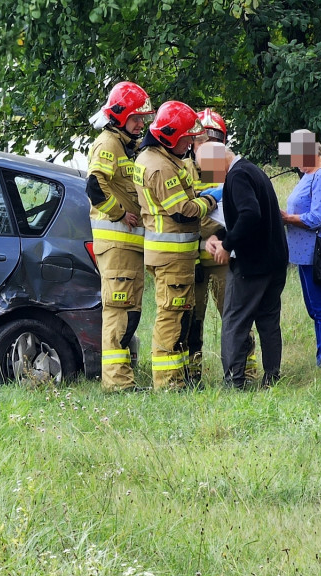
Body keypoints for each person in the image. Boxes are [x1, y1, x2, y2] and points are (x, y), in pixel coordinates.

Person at [134, 101, 218, 391]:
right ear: (170, 136)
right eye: (186, 138)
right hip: (171, 257)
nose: (191, 142)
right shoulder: (159, 166)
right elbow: (182, 210)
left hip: (176, 257)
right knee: (171, 317)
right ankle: (169, 383)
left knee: (181, 315)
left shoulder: (163, 157)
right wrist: (211, 201)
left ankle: (179, 377)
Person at [199, 141, 288, 388]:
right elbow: (253, 218)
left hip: (252, 265)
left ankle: (234, 382)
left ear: (217, 160)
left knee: (234, 321)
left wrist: (227, 246)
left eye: (205, 169)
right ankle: (272, 378)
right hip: (275, 261)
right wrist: (221, 237)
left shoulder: (237, 176)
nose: (207, 176)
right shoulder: (253, 170)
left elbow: (250, 214)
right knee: (269, 321)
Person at [85, 81, 155, 392]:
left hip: (129, 248)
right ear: (120, 116)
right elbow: (94, 187)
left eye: (144, 118)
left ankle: (123, 377)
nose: (142, 123)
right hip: (116, 246)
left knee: (131, 313)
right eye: (137, 118)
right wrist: (118, 214)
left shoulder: (127, 144)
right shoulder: (107, 144)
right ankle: (116, 383)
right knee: (118, 312)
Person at [184, 108, 258, 384]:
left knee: (236, 317)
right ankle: (192, 375)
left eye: (213, 138)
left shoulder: (228, 170)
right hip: (193, 257)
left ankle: (246, 372)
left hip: (223, 257)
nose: (206, 144)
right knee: (192, 322)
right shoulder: (183, 170)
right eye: (201, 139)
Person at [280, 129, 321, 367]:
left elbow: (317, 217)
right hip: (304, 255)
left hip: (319, 254)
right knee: (314, 309)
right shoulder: (307, 175)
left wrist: (287, 218)